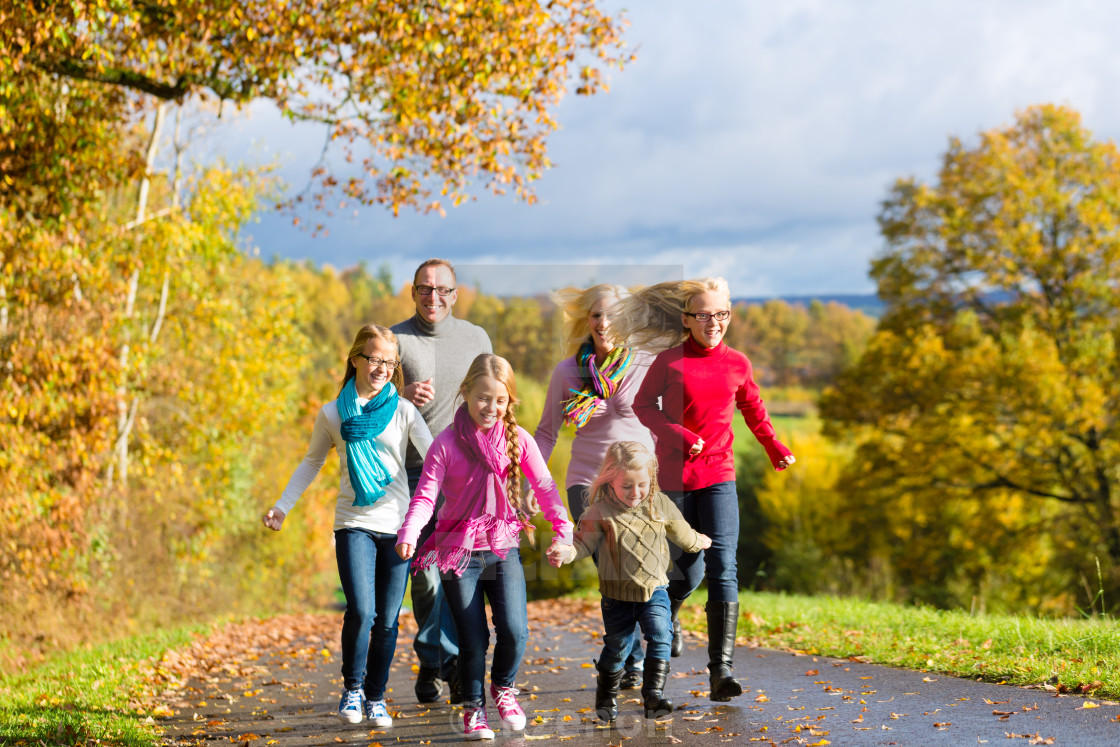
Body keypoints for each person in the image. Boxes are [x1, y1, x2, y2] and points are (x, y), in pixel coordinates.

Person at [614, 277, 796, 702]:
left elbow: (752, 406)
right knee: (684, 571)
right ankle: (670, 616)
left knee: (724, 567)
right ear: (687, 319)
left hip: (719, 476)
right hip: (675, 481)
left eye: (721, 314)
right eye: (704, 315)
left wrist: (773, 445)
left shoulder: (738, 363)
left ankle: (721, 671)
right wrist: (676, 432)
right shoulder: (669, 362)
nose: (713, 322)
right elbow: (643, 406)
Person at [396, 353, 574, 741]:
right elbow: (426, 496)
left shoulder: (518, 440)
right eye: (482, 398)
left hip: (502, 544)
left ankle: (504, 688)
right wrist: (410, 533)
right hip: (458, 552)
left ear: (509, 401)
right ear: (465, 393)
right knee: (472, 636)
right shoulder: (445, 444)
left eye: (499, 400)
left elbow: (544, 487)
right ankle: (474, 709)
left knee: (515, 629)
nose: (490, 407)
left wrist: (564, 530)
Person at [263, 324, 433, 725]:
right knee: (361, 610)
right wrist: (282, 507)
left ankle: (376, 697)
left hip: (397, 526)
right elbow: (311, 462)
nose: (382, 369)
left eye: (389, 362)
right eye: (374, 359)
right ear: (356, 358)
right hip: (353, 522)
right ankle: (352, 690)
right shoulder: (332, 413)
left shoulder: (404, 411)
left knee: (389, 620)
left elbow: (436, 458)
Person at [533, 283, 655, 689]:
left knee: (639, 570)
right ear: (587, 320)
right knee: (612, 569)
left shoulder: (646, 364)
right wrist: (526, 479)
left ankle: (651, 632)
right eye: (597, 315)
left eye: (614, 315)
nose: (605, 323)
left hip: (638, 484)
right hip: (586, 481)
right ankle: (630, 657)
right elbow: (546, 433)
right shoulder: (568, 372)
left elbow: (671, 419)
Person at [392, 258, 493, 705]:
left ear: (455, 293)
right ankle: (434, 656)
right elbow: (359, 397)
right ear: (413, 292)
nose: (434, 297)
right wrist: (399, 396)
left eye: (442, 289)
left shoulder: (476, 338)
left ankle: (444, 663)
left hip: (465, 473)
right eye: (425, 289)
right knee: (426, 576)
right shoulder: (394, 340)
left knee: (454, 571)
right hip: (413, 471)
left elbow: (492, 397)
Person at [555, 441, 710, 722]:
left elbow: (683, 534)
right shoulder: (599, 512)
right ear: (609, 479)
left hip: (656, 591)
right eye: (627, 486)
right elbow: (581, 545)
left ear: (651, 478)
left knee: (662, 637)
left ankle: (653, 697)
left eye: (642, 484)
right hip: (617, 599)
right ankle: (605, 697)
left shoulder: (660, 503)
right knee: (617, 649)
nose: (636, 493)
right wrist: (565, 553)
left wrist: (700, 541)